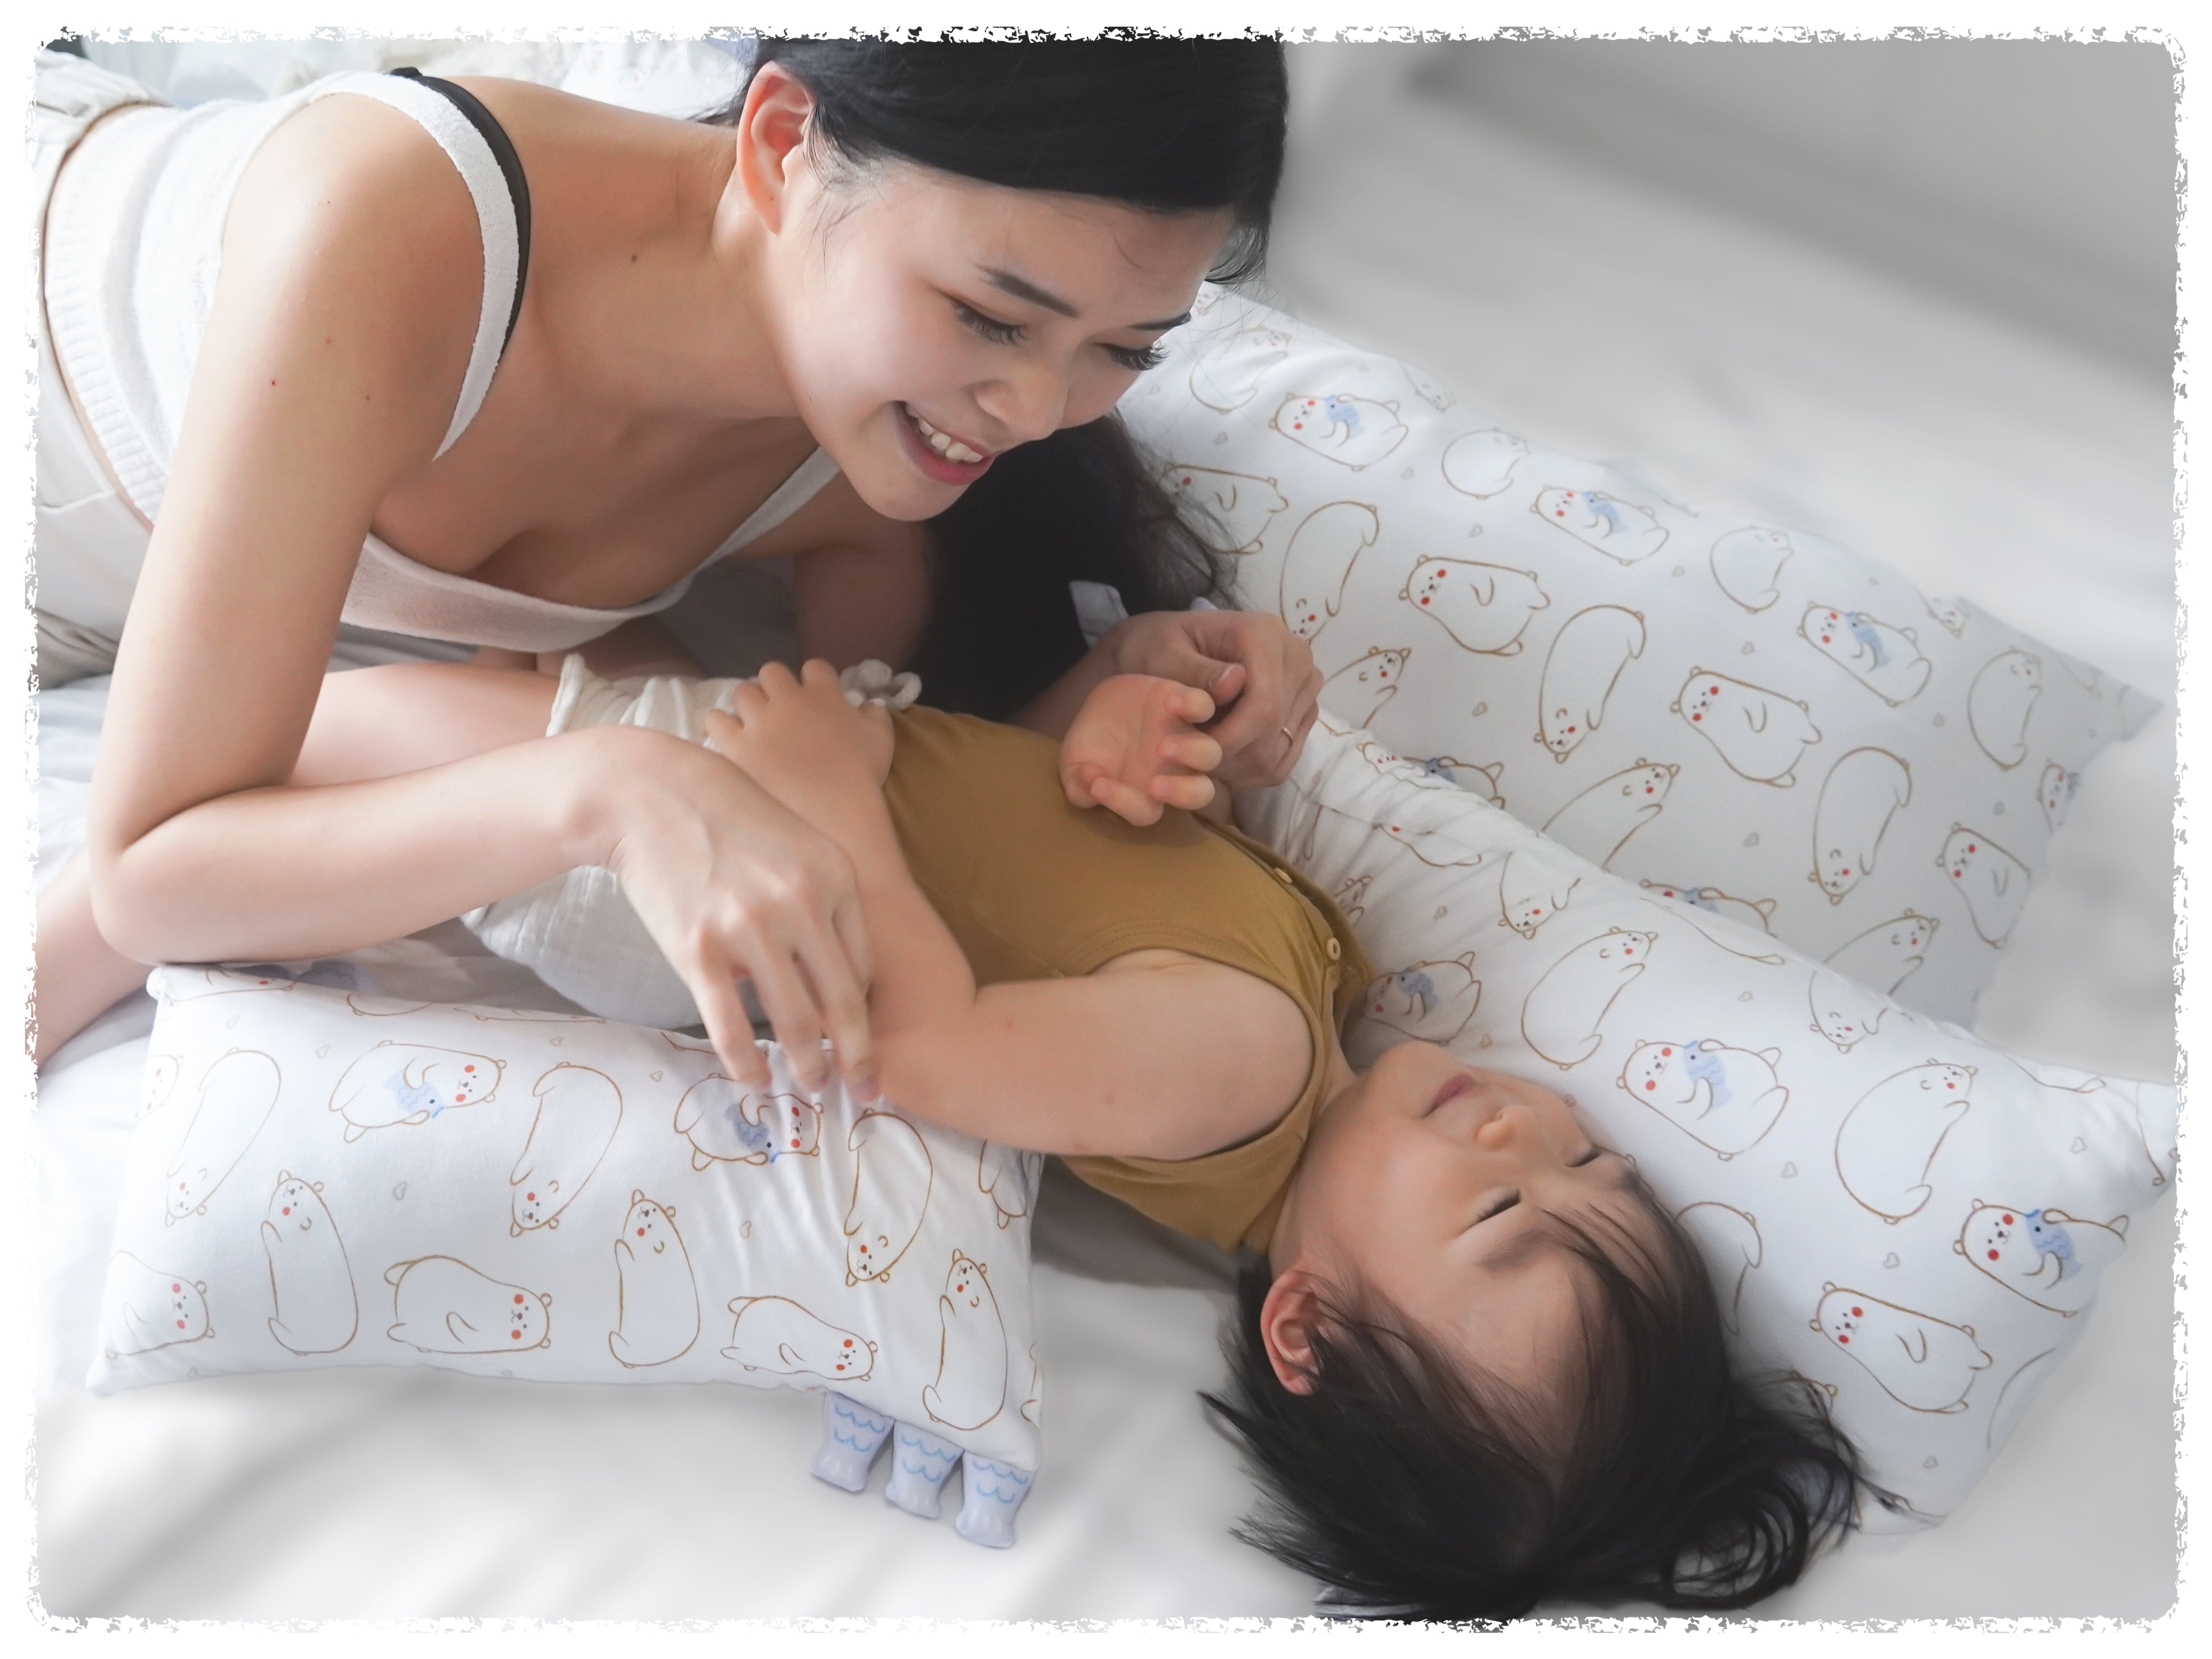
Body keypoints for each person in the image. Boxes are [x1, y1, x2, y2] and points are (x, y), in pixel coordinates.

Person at [273, 648, 1880, 1620]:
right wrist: (1114, 746)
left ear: (1305, 1322)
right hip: (762, 789)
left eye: (1494, 1213)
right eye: (1586, 1163)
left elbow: (916, 1041)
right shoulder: (1303, 1034)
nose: (1522, 1135)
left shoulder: (1241, 1074)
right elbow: (1059, 890)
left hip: (725, 837)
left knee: (285, 737)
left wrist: (828, 790)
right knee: (317, 717)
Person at [28, 39, 1320, 1080]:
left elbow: (875, 783)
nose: (1034, 413)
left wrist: (1127, 685)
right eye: (989, 316)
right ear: (777, 146)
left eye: (1123, 352)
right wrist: (606, 794)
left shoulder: (877, 489)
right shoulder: (397, 227)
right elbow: (147, 875)